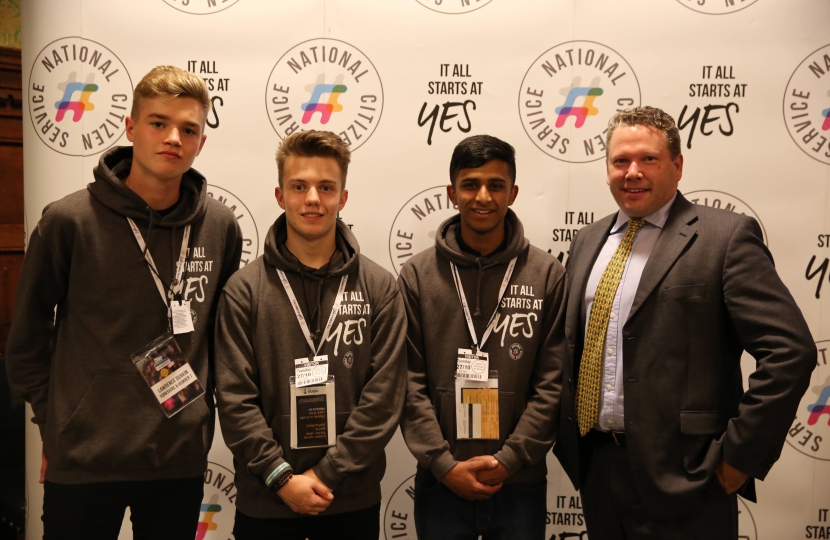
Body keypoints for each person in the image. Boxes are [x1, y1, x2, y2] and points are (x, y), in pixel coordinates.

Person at [554, 106, 816, 538]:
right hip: (599, 470)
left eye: (648, 159)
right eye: (621, 161)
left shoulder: (725, 238)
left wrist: (737, 460)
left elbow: (791, 351)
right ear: (606, 170)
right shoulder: (587, 240)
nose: (632, 172)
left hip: (690, 477)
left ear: (677, 166)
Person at [5, 65, 243, 539]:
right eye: (158, 123)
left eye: (188, 129)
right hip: (86, 461)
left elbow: (223, 341)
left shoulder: (220, 226)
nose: (173, 137)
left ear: (201, 142)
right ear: (131, 127)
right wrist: (57, 428)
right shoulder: (68, 221)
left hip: (177, 460)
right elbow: (26, 342)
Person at [214, 130, 407, 540]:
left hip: (350, 499)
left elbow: (384, 398)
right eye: (299, 186)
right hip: (266, 501)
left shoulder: (379, 287)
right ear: (281, 195)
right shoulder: (244, 290)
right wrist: (282, 478)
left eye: (326, 187)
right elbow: (234, 399)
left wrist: (327, 473)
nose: (313, 198)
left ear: (343, 196)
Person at [398, 135, 568, 539]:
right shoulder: (418, 276)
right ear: (451, 192)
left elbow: (552, 382)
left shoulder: (546, 274)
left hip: (519, 481)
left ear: (513, 192)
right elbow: (408, 381)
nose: (483, 196)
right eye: (470, 184)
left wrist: (509, 460)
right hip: (441, 479)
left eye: (496, 185)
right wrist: (444, 465)